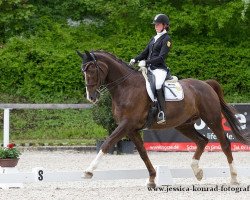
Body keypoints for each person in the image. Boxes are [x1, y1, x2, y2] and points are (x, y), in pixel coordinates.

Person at [129, 13, 172, 124]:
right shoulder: (154, 38)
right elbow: (145, 52)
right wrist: (136, 59)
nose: (155, 26)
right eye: (155, 25)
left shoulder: (167, 39)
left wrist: (146, 62)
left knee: (157, 85)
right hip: (149, 68)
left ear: (165, 25)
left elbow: (161, 57)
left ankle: (162, 112)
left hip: (159, 69)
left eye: (158, 24)